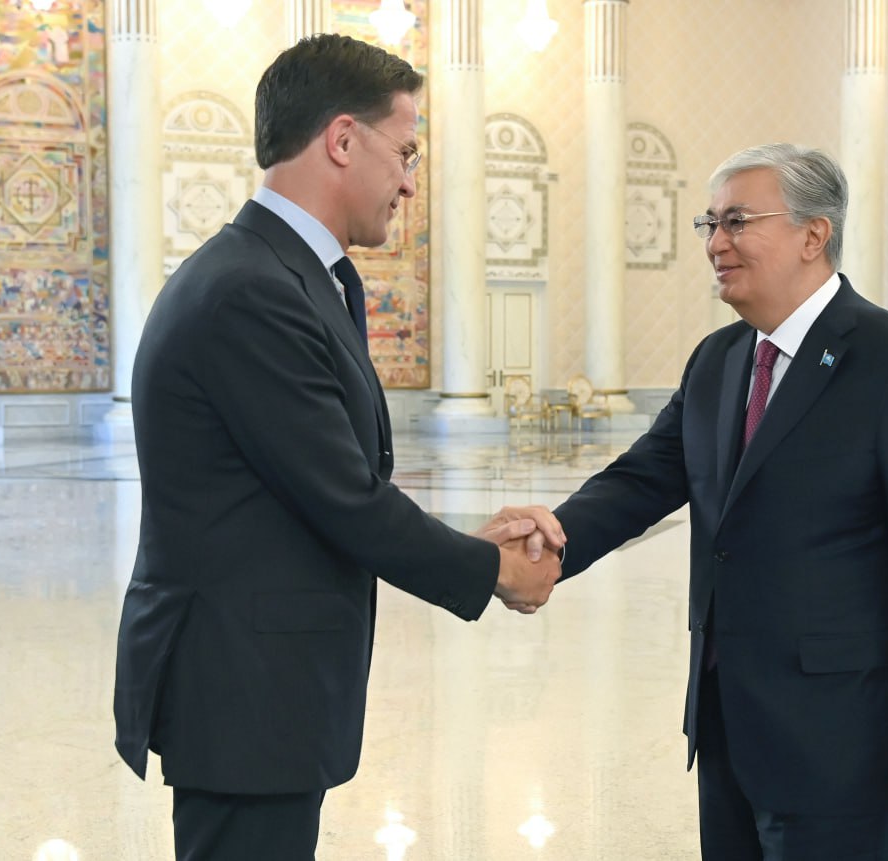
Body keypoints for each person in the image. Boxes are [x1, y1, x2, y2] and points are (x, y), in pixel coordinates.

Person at [112, 35, 563, 861]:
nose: (410, 181)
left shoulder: (283, 273)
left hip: (262, 686)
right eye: (406, 152)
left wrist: (469, 545)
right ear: (344, 140)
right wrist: (493, 569)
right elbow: (345, 497)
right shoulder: (251, 291)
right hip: (241, 689)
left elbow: (323, 481)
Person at [543, 144, 888, 859]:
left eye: (737, 221)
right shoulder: (717, 359)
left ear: (814, 235)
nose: (715, 243)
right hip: (727, 723)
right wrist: (549, 540)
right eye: (709, 223)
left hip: (843, 739)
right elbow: (643, 478)